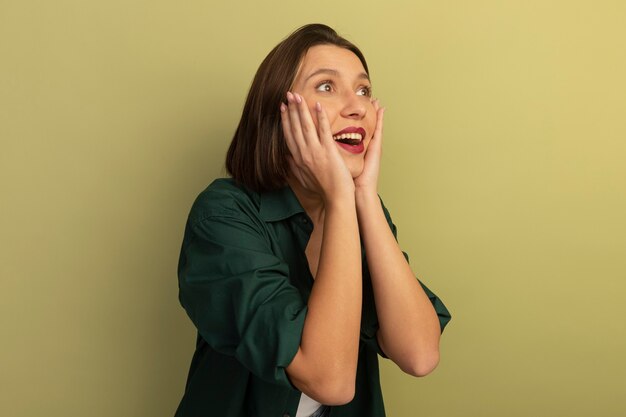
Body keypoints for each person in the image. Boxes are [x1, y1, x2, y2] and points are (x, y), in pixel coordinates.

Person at [175, 23, 451, 417]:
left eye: (364, 90)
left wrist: (364, 198)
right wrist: (341, 198)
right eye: (326, 86)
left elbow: (420, 355)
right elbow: (329, 380)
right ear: (280, 112)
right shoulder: (222, 214)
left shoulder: (362, 209)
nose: (357, 106)